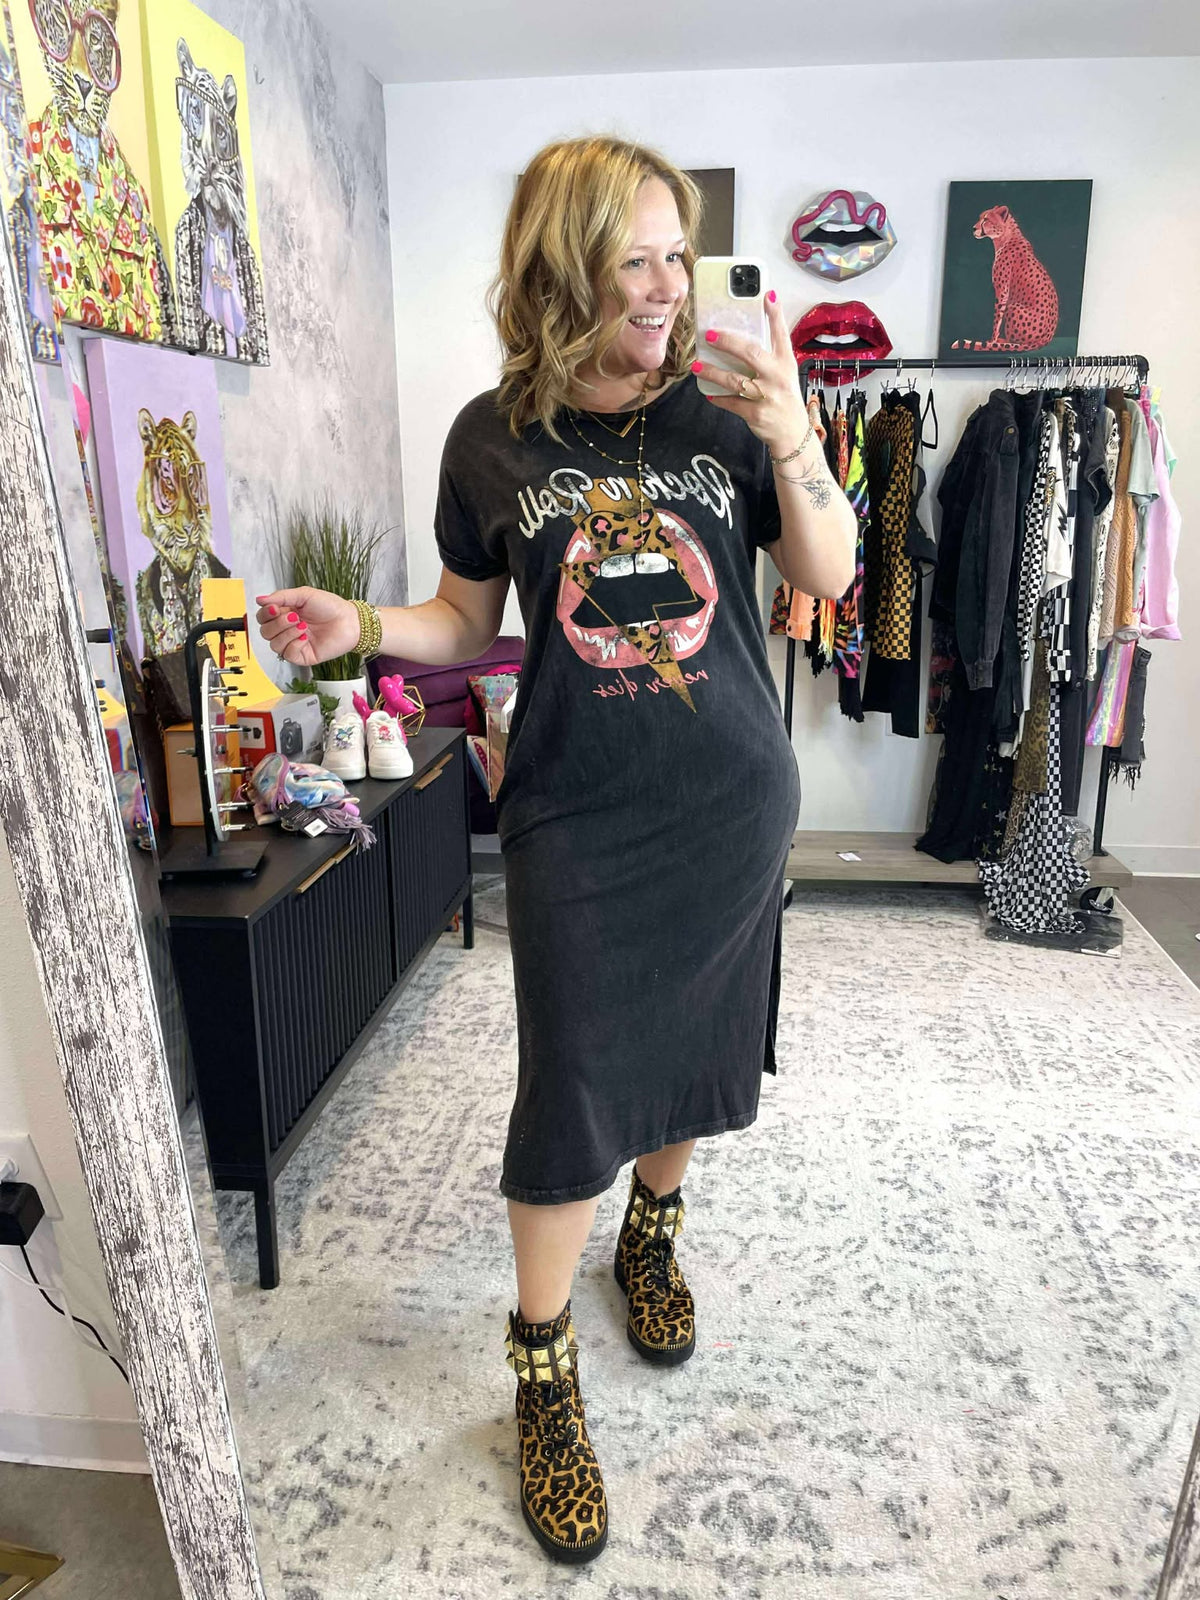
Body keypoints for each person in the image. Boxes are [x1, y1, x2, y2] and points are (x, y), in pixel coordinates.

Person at [255, 135, 855, 1565]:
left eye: (675, 255)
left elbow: (827, 573)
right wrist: (361, 624)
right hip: (575, 813)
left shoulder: (729, 409)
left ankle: (654, 1234)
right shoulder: (491, 435)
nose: (666, 286)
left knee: (694, 1042)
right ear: (561, 268)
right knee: (573, 1077)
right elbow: (469, 621)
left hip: (727, 803)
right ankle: (540, 1366)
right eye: (632, 259)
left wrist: (792, 436)